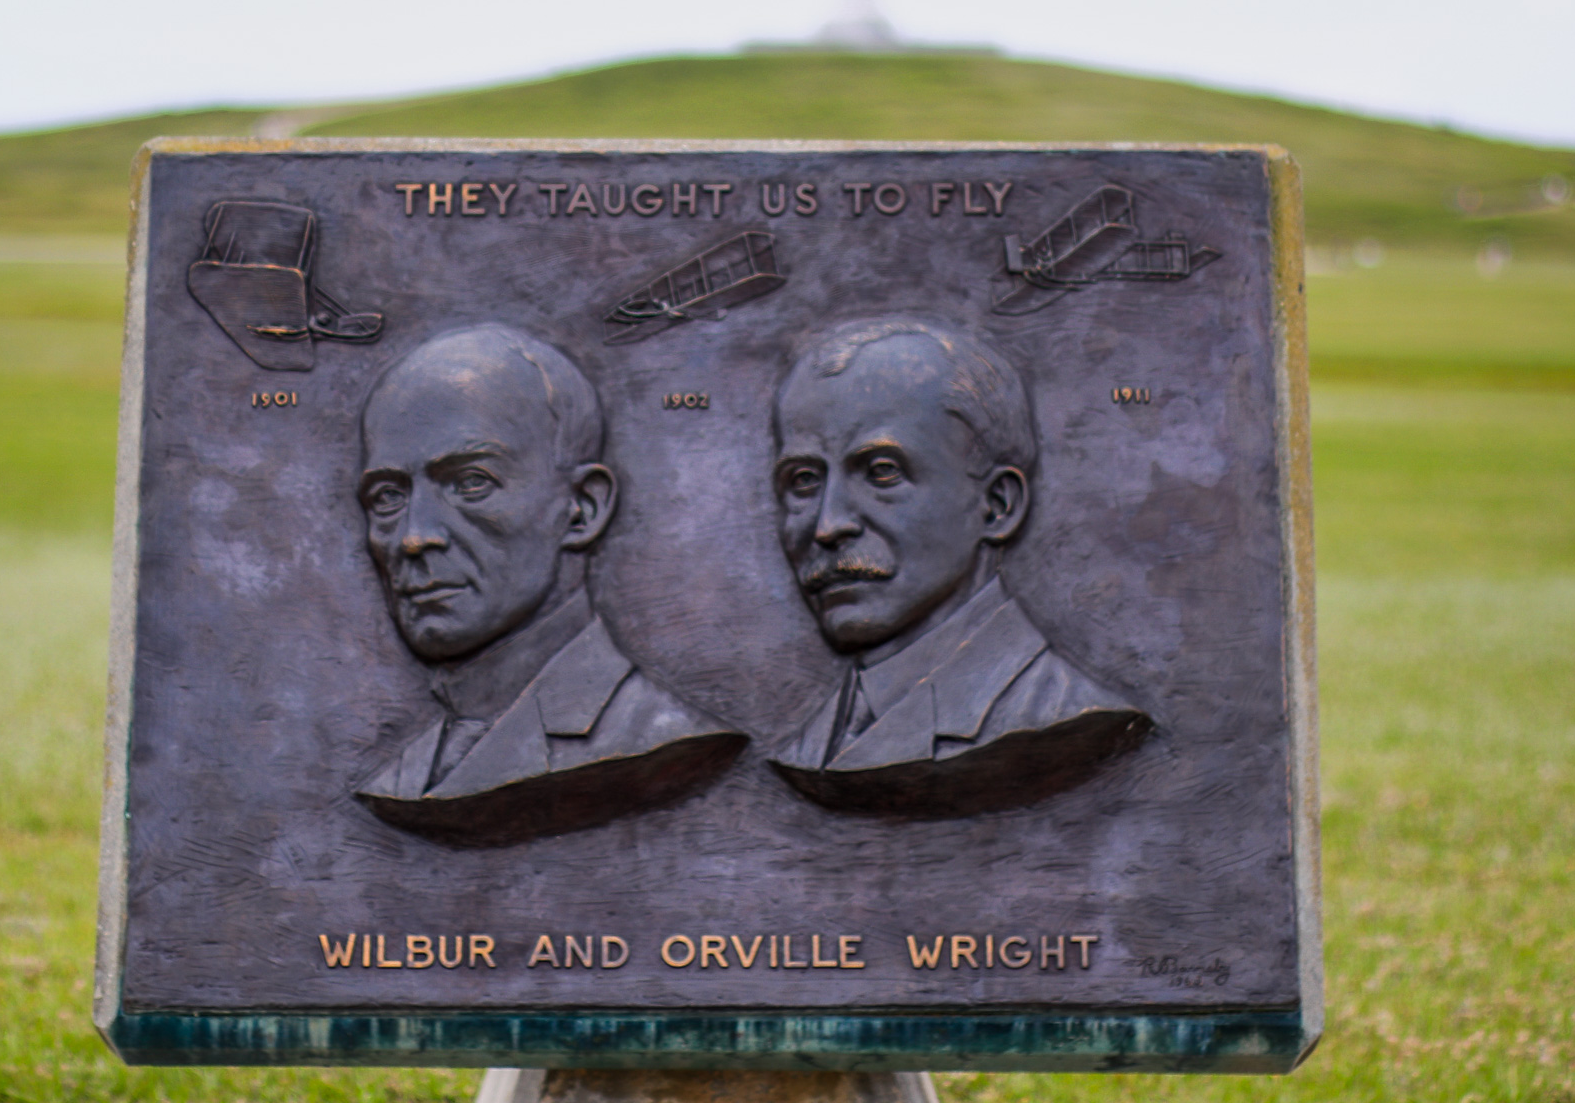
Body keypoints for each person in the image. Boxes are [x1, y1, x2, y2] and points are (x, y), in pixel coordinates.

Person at [352, 324, 744, 845]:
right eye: (387, 497)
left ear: (581, 509)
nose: (414, 537)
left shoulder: (655, 737)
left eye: (472, 483)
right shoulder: (402, 779)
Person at [766, 318, 1151, 819]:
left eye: (882, 472)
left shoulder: (1062, 720)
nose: (828, 525)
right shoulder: (808, 749)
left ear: (996, 505)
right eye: (802, 480)